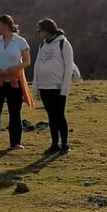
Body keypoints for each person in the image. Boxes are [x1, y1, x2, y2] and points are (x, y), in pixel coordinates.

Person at [0, 14, 34, 151]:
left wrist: (16, 67)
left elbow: (27, 61)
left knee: (14, 112)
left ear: (6, 25)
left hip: (14, 81)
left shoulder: (20, 41)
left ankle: (15, 142)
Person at [32, 18, 74, 155]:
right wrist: (36, 86)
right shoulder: (42, 45)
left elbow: (68, 68)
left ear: (47, 30)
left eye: (40, 30)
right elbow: (37, 66)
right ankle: (54, 144)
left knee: (59, 116)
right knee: (51, 116)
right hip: (44, 87)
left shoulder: (63, 44)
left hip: (57, 87)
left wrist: (65, 89)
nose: (38, 33)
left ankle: (65, 144)